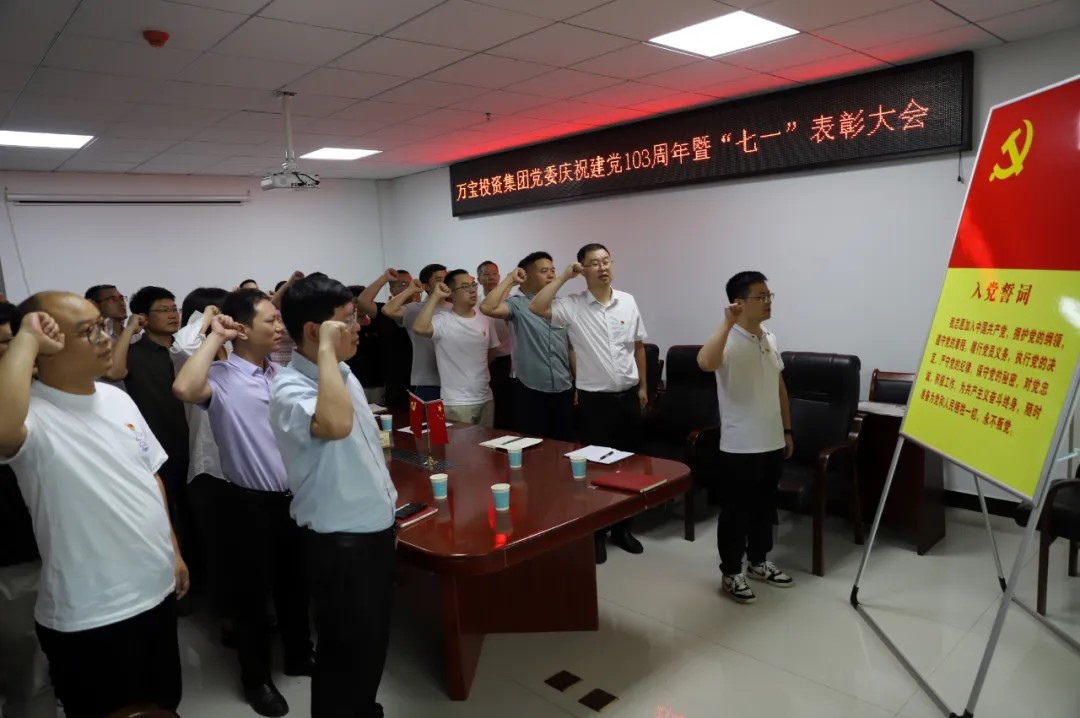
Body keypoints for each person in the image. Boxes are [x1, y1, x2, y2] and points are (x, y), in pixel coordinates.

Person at [0, 292, 188, 718]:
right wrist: (25, 338)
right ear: (46, 347)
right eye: (88, 332)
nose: (105, 338)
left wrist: (173, 550)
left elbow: (150, 476)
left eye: (102, 326)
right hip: (92, 613)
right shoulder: (33, 416)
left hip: (154, 590)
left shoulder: (117, 398)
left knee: (163, 704)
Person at [174, 289, 313, 716]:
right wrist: (217, 335)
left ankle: (298, 655)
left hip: (295, 500)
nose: (280, 327)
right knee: (252, 599)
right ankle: (257, 679)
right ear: (243, 329)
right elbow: (183, 387)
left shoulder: (281, 373)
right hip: (248, 505)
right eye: (271, 320)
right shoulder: (220, 377)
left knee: (295, 586)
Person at [269, 275, 397, 718]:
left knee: (368, 646)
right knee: (345, 652)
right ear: (314, 330)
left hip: (372, 532)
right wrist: (325, 350)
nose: (360, 326)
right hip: (341, 545)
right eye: (348, 319)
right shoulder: (289, 389)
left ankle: (362, 709)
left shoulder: (342, 372)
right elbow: (336, 426)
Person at [530, 243, 647, 563]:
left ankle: (623, 528)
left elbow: (638, 346)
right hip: (596, 403)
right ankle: (596, 533)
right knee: (596, 471)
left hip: (628, 399)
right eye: (594, 263)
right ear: (583, 269)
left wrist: (644, 387)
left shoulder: (628, 301)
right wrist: (563, 277)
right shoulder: (572, 305)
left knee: (628, 468)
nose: (603, 267)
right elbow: (537, 306)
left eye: (607, 261)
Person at [697, 271, 795, 603]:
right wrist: (727, 324)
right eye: (760, 296)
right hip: (740, 445)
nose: (768, 302)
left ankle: (758, 562)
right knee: (736, 511)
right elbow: (705, 362)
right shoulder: (726, 339)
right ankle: (730, 572)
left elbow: (779, 387)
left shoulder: (769, 337)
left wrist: (787, 429)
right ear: (739, 303)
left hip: (772, 440)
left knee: (765, 508)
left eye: (769, 296)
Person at [0, 301, 56, 718]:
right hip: (15, 560)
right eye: (8, 343)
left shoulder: (49, 396)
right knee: (29, 673)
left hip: (54, 553)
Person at [171, 288, 232, 639]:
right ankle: (228, 619)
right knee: (221, 549)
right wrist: (205, 317)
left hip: (244, 467)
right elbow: (183, 344)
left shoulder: (233, 350)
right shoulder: (192, 355)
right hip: (210, 467)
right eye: (221, 312)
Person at [125, 287, 191, 564]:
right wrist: (128, 331)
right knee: (167, 518)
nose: (173, 315)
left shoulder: (187, 349)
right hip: (159, 450)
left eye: (174, 309)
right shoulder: (133, 354)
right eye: (163, 310)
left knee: (195, 518)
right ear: (143, 317)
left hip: (194, 445)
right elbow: (114, 372)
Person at [480, 252, 574, 439]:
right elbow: (487, 307)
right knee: (532, 444)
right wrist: (510, 279)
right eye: (544, 271)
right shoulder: (517, 304)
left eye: (553, 270)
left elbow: (570, 348)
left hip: (563, 387)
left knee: (563, 443)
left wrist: (577, 383)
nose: (551, 275)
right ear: (527, 276)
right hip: (530, 388)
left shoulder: (561, 305)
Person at [413, 270, 499, 427]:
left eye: (473, 285)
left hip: (486, 397)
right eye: (465, 287)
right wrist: (435, 296)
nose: (472, 290)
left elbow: (491, 352)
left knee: (488, 442)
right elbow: (419, 328)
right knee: (459, 443)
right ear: (451, 293)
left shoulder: (485, 319)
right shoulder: (443, 320)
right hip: (457, 402)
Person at [382, 263, 447, 401]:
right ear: (426, 286)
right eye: (439, 279)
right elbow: (388, 310)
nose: (444, 283)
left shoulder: (455, 308)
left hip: (455, 381)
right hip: (428, 382)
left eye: (446, 278)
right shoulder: (415, 309)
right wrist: (411, 289)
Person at [85, 285, 143, 388]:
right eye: (113, 299)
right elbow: (112, 372)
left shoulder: (137, 338)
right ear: (94, 305)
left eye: (121, 298)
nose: (121, 303)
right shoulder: (91, 339)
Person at [478, 261, 513, 428]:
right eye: (486, 274)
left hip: (506, 361)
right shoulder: (476, 305)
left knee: (507, 408)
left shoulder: (510, 302)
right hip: (484, 362)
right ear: (479, 279)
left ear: (499, 277)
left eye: (494, 274)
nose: (491, 277)